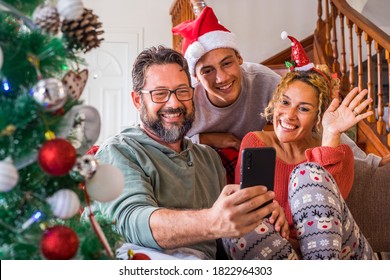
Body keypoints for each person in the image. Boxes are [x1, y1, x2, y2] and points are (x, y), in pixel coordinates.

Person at [92, 45, 289, 260]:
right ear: (138, 100)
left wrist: (255, 213)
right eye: (160, 94)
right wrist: (213, 221)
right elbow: (131, 221)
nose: (174, 103)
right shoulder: (119, 151)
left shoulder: (209, 158)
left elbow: (225, 236)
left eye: (182, 91)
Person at [225, 36, 375, 259]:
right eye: (285, 102)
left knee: (306, 174)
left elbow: (324, 219)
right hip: (282, 255)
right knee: (234, 226)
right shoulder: (256, 143)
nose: (289, 115)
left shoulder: (339, 152)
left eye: (303, 109)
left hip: (341, 253)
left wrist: (331, 134)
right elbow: (251, 211)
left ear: (318, 117)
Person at [172, 7, 280, 183]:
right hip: (200, 171)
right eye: (207, 70)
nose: (221, 78)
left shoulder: (266, 81)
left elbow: (304, 123)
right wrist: (207, 138)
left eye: (227, 63)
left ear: (239, 58)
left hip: (252, 162)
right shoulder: (184, 97)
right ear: (195, 77)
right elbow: (163, 143)